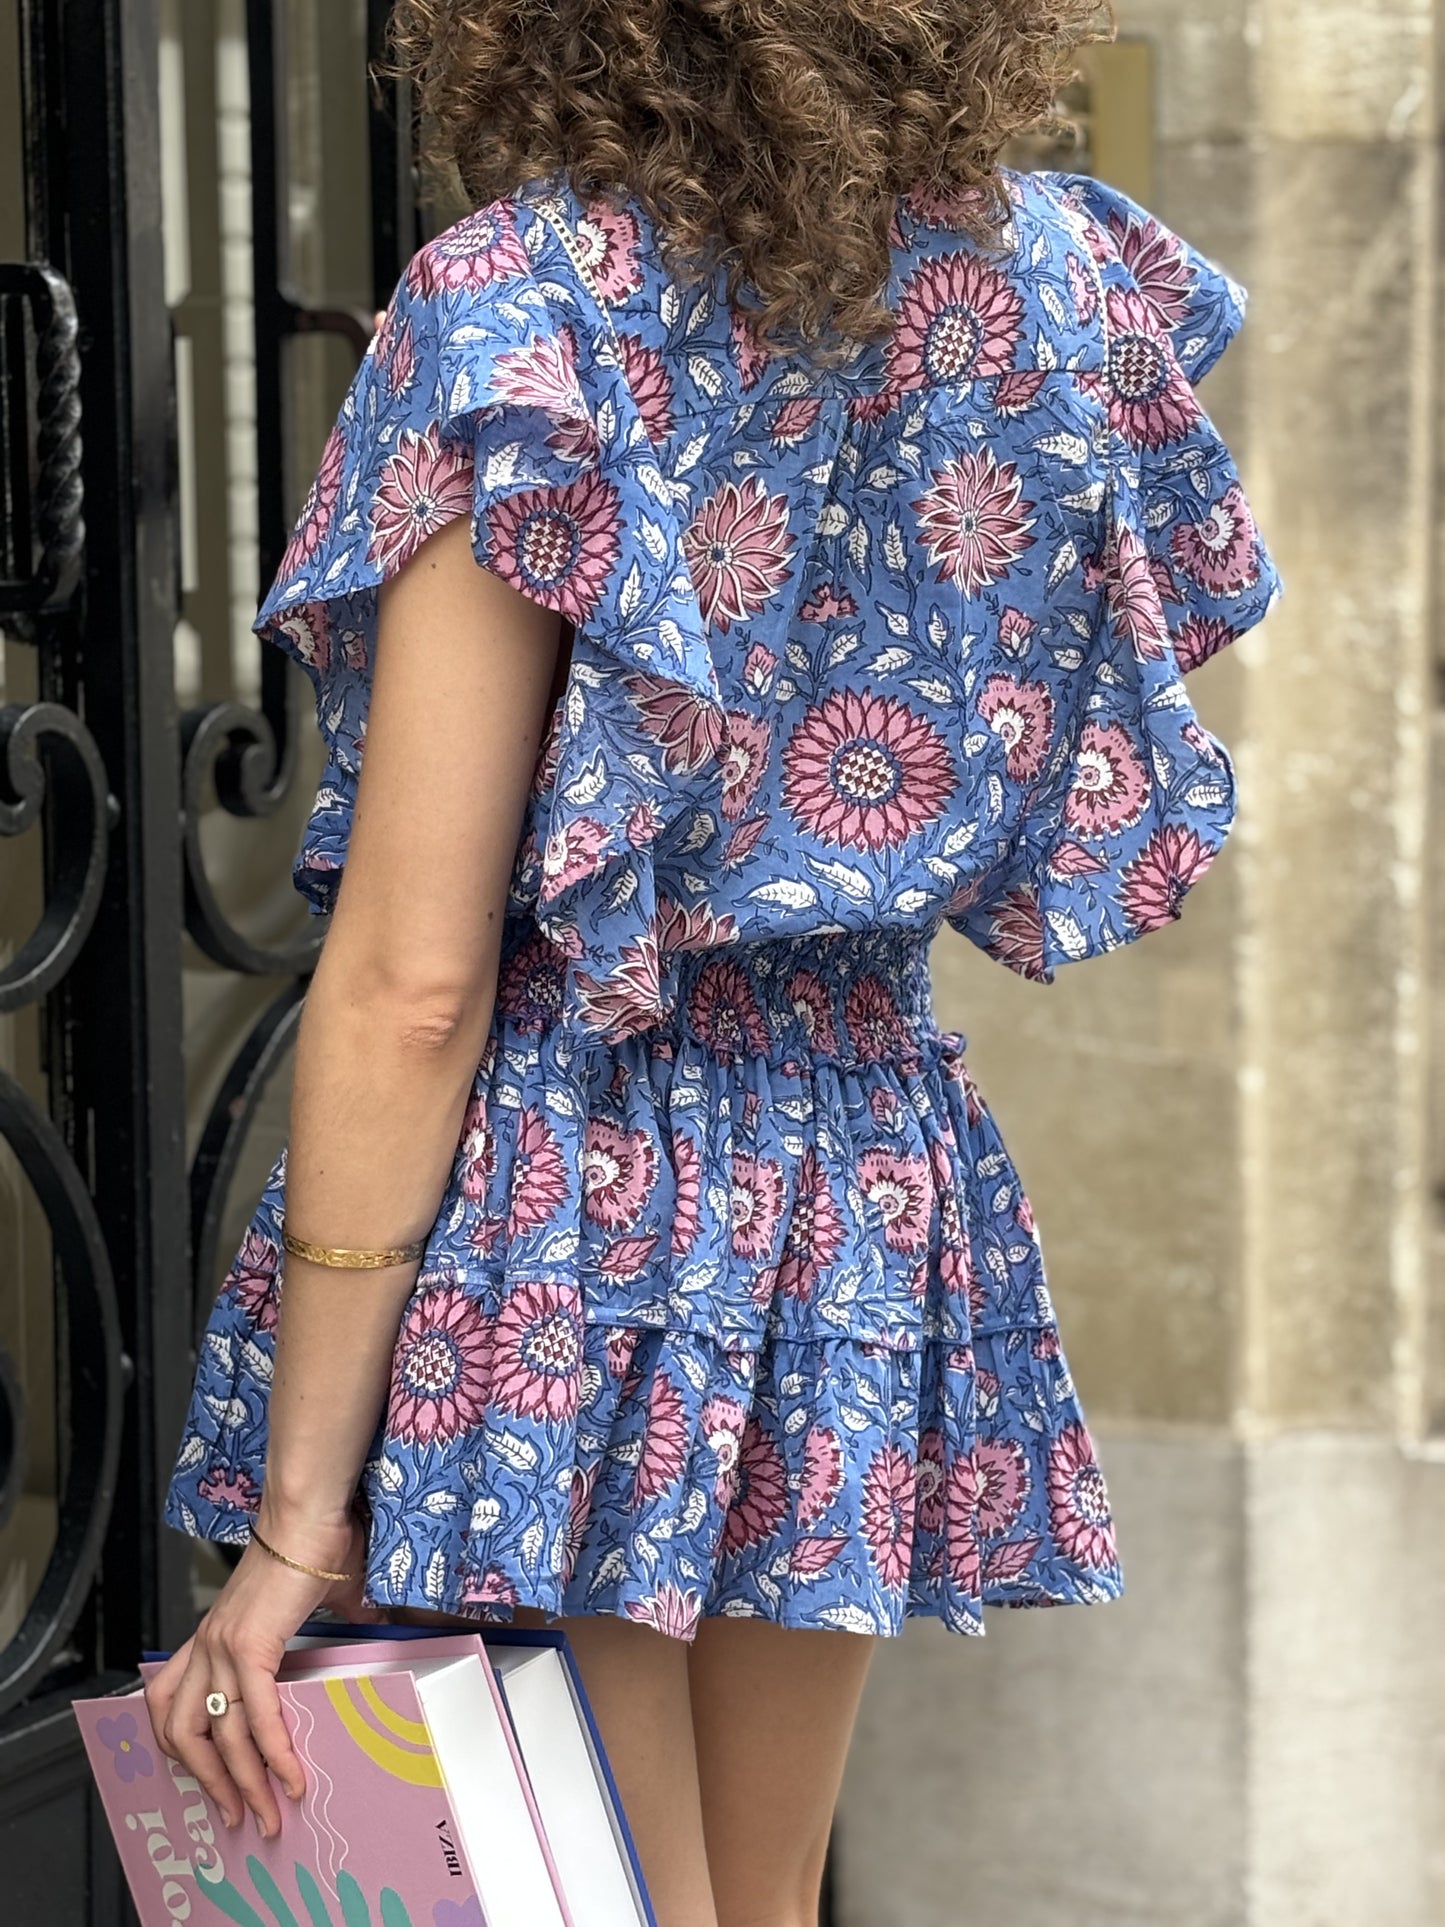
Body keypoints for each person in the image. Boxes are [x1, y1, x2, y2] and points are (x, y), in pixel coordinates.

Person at [146, 3, 1279, 1921]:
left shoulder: (520, 309)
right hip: (854, 1168)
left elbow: (416, 983)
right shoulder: (1073, 280)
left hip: (558, 1202)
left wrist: (290, 1528)